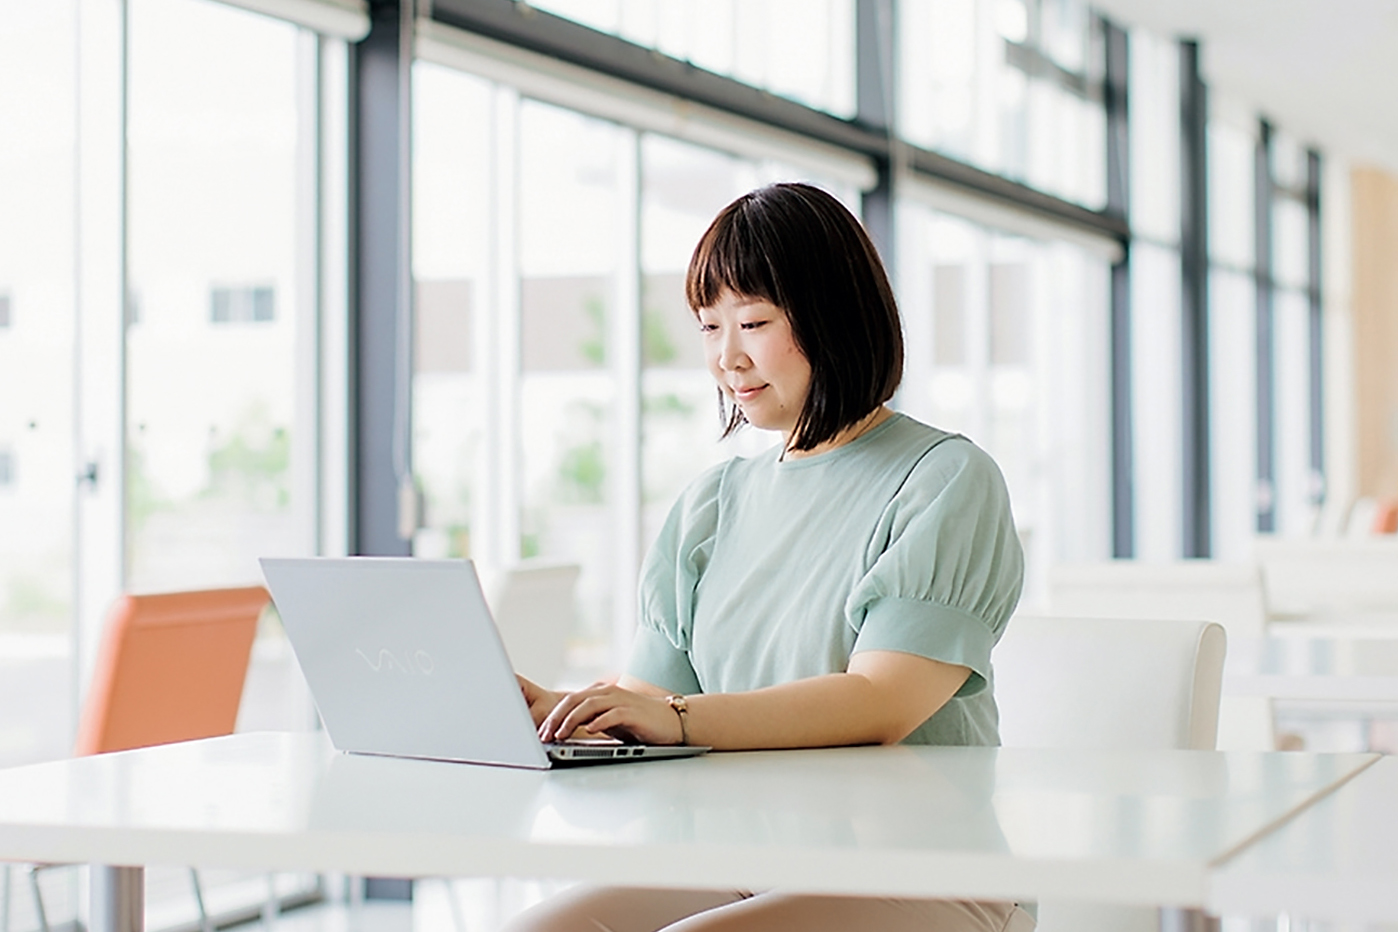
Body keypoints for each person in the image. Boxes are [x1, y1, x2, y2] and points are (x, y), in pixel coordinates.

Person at [511, 182, 1032, 932]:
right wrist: (566, 715)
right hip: (744, 862)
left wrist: (676, 719)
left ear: (834, 317)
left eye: (753, 321)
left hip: (924, 866)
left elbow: (879, 704)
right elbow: (653, 707)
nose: (727, 356)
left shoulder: (944, 479)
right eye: (708, 326)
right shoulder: (710, 505)